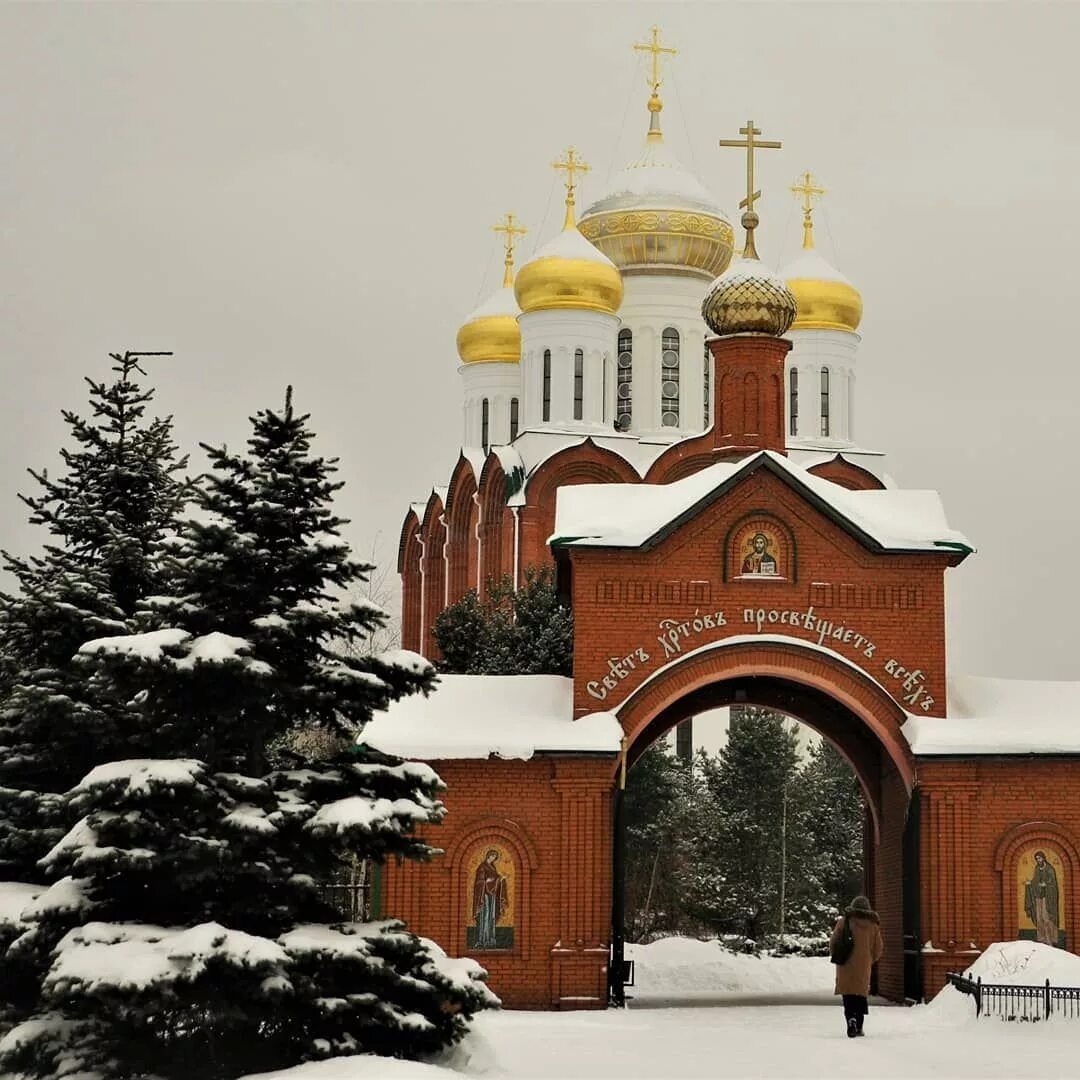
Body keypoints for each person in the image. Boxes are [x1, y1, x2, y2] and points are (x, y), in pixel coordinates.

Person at [830, 894, 884, 1038]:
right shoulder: (873, 925)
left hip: (845, 965)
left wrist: (838, 955)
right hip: (863, 966)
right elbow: (878, 948)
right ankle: (859, 1026)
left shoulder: (844, 921)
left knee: (848, 996)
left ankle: (850, 1021)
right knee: (860, 996)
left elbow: (833, 941)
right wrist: (869, 960)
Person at [472, 849, 508, 949]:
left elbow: (495, 878)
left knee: (491, 916)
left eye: (495, 857)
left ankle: (491, 940)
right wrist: (492, 881)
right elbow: (480, 882)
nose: (493, 859)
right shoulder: (482, 867)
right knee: (485, 916)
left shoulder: (492, 867)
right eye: (492, 856)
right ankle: (483, 939)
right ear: (488, 856)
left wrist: (501, 879)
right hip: (484, 896)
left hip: (492, 895)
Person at [1024, 850, 1060, 947]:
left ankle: (1050, 939)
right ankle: (1041, 939)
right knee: (1039, 918)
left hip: (1048, 897)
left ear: (1043, 858)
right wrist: (1029, 883)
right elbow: (1035, 881)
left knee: (1046, 918)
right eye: (1036, 859)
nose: (1038, 860)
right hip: (1038, 896)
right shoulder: (1037, 868)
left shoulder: (1050, 869)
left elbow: (1053, 883)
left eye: (1039, 858)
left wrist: (1046, 884)